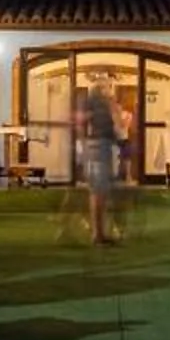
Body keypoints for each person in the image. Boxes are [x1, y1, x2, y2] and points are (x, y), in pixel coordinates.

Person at [74, 84, 125, 246]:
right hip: (99, 146)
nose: (109, 90)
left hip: (99, 146)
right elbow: (119, 125)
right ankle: (98, 235)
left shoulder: (92, 103)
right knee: (98, 191)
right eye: (106, 88)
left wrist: (83, 145)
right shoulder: (99, 103)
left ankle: (99, 233)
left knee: (99, 190)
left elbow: (81, 123)